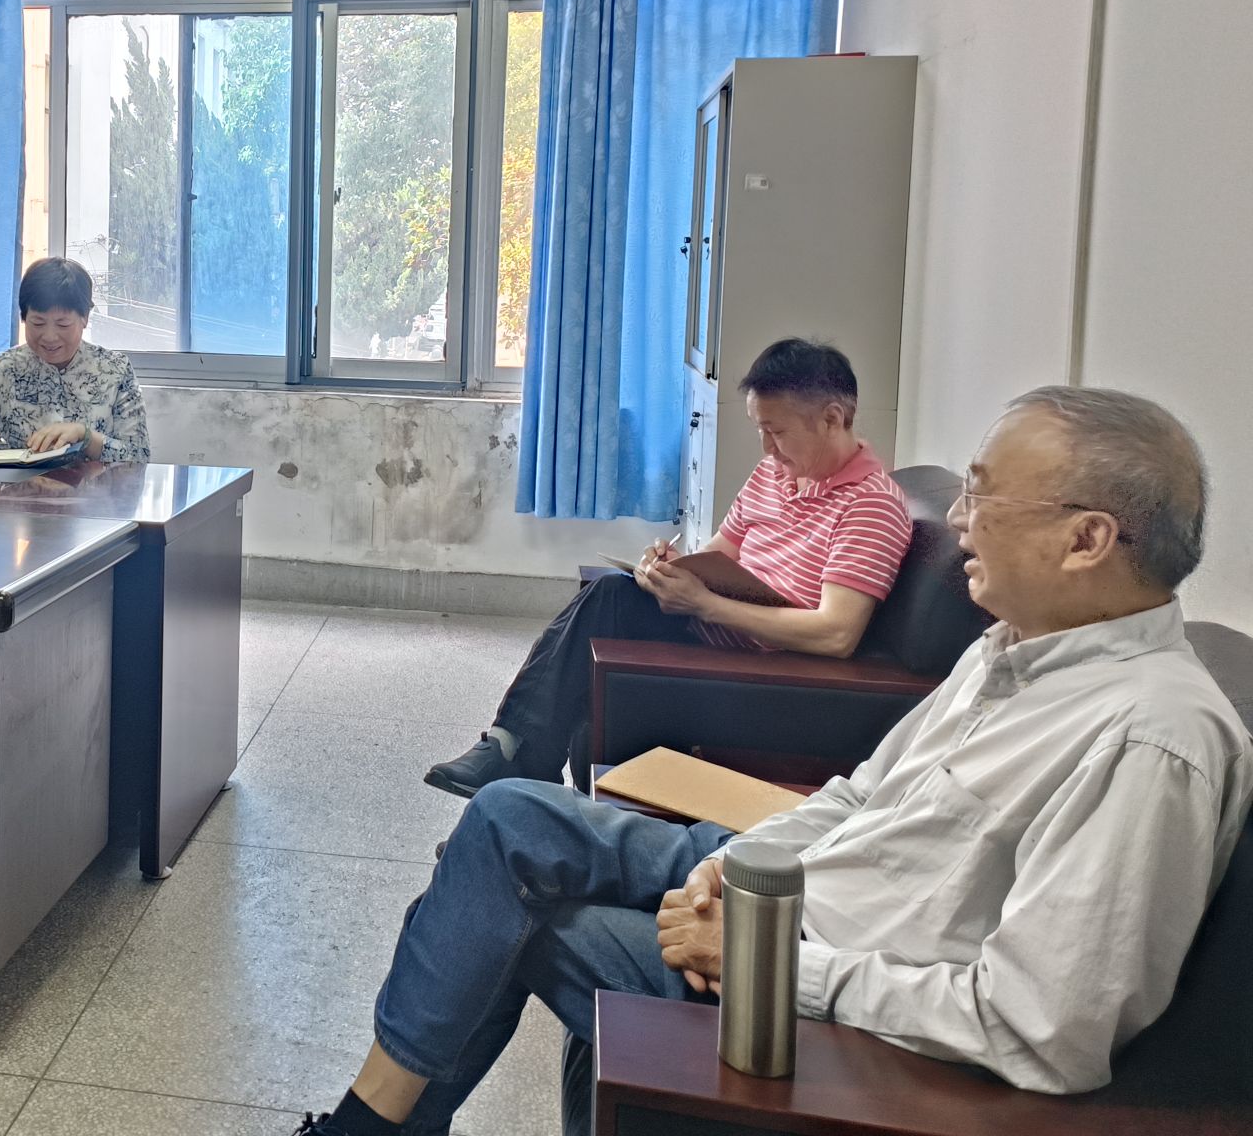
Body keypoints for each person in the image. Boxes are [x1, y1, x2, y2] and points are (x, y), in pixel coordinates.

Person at [296, 387, 1253, 1135]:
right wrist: (734, 872)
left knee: (505, 914)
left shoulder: (1150, 741)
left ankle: (367, 1128)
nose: (962, 519)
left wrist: (769, 962)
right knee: (508, 814)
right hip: (790, 890)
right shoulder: (1012, 648)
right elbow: (860, 797)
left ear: (1087, 539)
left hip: (823, 1003)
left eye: (985, 494)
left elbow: (1042, 1030)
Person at [427, 338, 914, 800]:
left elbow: (835, 633)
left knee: (601, 620)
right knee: (611, 596)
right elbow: (720, 554)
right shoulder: (774, 474)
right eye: (760, 430)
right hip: (716, 634)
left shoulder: (870, 505)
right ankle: (514, 763)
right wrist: (675, 569)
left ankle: (517, 769)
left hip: (765, 672)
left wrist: (705, 604)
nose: (767, 448)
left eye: (778, 432)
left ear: (832, 418)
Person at [0, 256, 150, 464]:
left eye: (62, 324)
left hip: (93, 493)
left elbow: (139, 455)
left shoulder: (114, 370)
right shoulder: (4, 368)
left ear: (84, 318)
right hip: (14, 492)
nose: (50, 336)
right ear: (24, 318)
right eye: (38, 323)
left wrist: (85, 436)